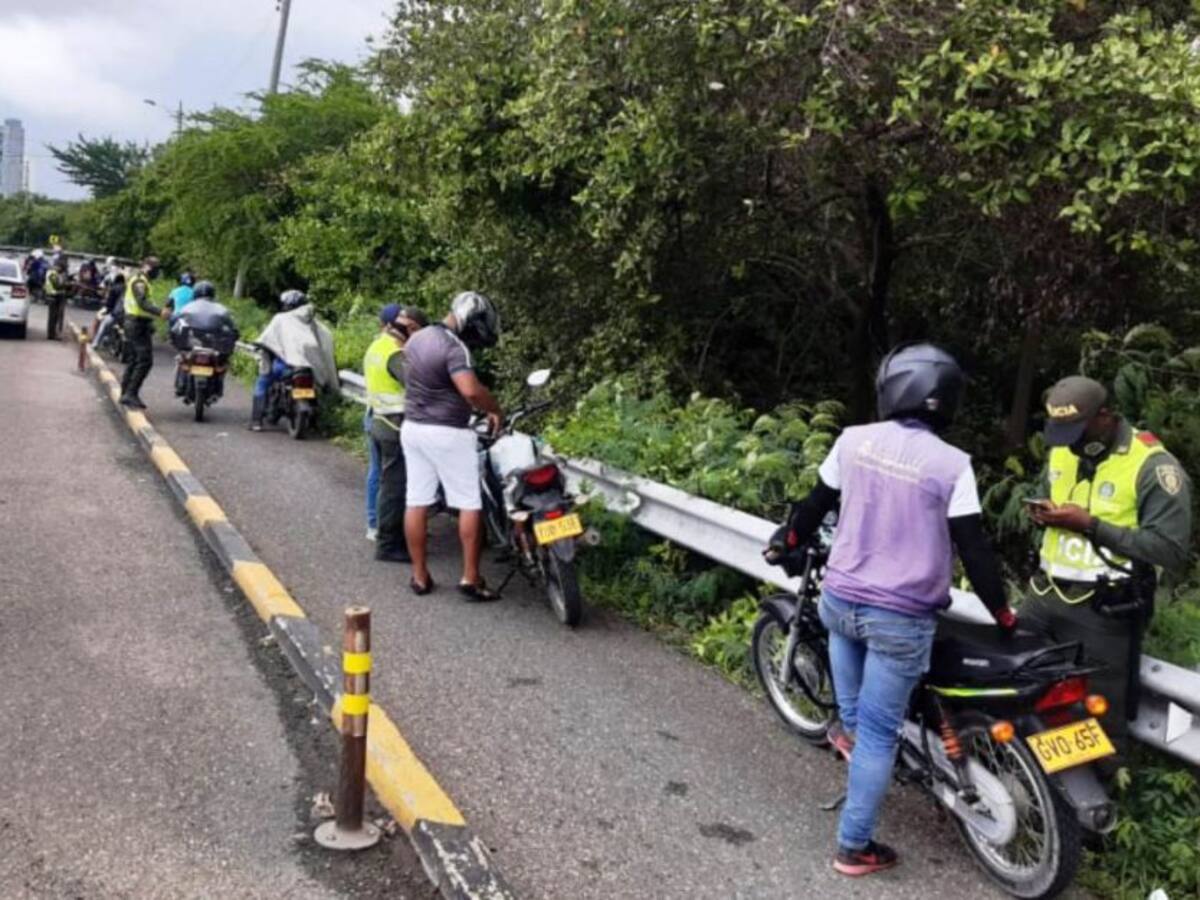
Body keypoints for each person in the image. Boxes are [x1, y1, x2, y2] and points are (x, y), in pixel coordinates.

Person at [771, 343, 1016, 878]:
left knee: (861, 724)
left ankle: (859, 776)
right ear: (945, 399)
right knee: (879, 735)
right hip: (901, 617)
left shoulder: (852, 441)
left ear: (892, 389)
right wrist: (1002, 613)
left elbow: (813, 507)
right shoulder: (953, 465)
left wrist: (786, 538)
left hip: (841, 602)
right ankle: (852, 847)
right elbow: (973, 548)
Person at [1023, 375, 1192, 757]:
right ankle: (1032, 787)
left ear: (1106, 416)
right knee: (1021, 690)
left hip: (1103, 609)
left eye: (1078, 431)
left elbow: (1169, 551)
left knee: (1096, 719)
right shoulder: (1063, 452)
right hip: (1043, 596)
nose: (1072, 442)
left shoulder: (1153, 466)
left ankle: (1089, 805)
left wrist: (1091, 527)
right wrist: (1048, 517)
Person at [402, 291, 505, 599]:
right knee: (469, 502)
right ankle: (470, 578)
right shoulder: (453, 346)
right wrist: (494, 409)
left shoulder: (416, 340)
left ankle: (419, 577)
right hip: (448, 433)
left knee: (416, 500)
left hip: (413, 428)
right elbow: (470, 391)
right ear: (468, 319)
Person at [364, 304, 429, 560]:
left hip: (380, 421)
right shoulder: (395, 354)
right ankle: (389, 544)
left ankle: (388, 534)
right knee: (395, 488)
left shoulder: (377, 345)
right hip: (395, 426)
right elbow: (418, 386)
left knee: (385, 482)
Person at [248, 289, 337, 431]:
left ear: (286, 305)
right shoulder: (316, 325)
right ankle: (316, 422)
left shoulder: (280, 319)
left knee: (262, 383)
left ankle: (256, 421)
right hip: (310, 369)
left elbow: (267, 340)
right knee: (316, 388)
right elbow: (326, 350)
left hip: (286, 367)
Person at [118, 256, 163, 410]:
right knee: (144, 360)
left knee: (134, 359)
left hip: (138, 323)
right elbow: (142, 303)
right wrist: (160, 312)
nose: (157, 273)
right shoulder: (139, 282)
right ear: (147, 267)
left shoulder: (143, 281)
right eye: (155, 269)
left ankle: (125, 393)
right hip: (136, 324)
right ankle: (130, 393)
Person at [91, 269, 126, 348]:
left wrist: (106, 311)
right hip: (129, 315)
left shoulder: (114, 288)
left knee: (103, 324)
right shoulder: (127, 288)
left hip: (117, 314)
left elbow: (110, 304)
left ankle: (95, 342)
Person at [43, 255, 70, 340]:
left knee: (54, 316)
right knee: (56, 316)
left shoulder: (55, 272)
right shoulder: (52, 273)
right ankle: (54, 334)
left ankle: (52, 334)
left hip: (56, 295)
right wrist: (68, 284)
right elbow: (58, 285)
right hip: (54, 295)